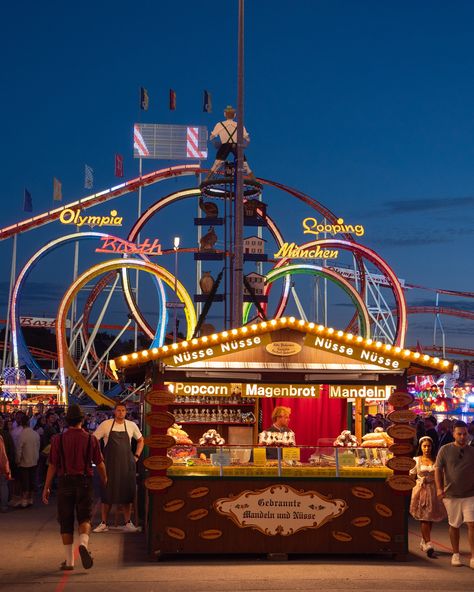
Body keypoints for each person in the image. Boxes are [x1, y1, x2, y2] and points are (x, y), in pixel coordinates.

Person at [42, 404, 106, 571]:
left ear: (66, 421)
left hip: (64, 482)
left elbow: (52, 465)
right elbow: (99, 463)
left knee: (66, 520)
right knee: (85, 518)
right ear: (82, 419)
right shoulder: (91, 439)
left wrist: (46, 487)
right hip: (84, 481)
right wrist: (105, 480)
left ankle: (69, 561)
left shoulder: (58, 440)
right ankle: (83, 544)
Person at [92, 402, 144, 533]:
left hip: (127, 465)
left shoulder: (132, 425)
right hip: (109, 465)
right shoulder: (106, 424)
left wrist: (137, 455)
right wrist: (99, 455)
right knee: (106, 494)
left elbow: (141, 440)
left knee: (127, 494)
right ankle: (103, 523)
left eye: (123, 410)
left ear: (126, 412)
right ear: (114, 412)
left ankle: (128, 523)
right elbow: (93, 440)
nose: (121, 412)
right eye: (118, 410)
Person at [435, 420, 474, 569]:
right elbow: (438, 469)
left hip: (470, 494)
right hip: (451, 494)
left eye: (465, 434)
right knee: (454, 525)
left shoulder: (472, 451)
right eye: (460, 434)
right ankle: (456, 554)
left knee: (472, 524)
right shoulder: (445, 449)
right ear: (453, 434)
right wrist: (439, 488)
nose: (463, 437)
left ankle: (473, 556)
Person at [409, 436, 447, 557]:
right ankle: (428, 543)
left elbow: (441, 476)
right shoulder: (416, 460)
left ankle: (424, 541)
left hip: (433, 490)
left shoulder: (436, 460)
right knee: (424, 517)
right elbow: (411, 477)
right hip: (420, 490)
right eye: (424, 446)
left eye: (429, 446)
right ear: (420, 447)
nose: (427, 448)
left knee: (430, 517)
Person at [206, 105, 255, 180]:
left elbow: (211, 137)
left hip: (224, 146)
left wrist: (215, 143)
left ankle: (206, 180)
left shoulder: (219, 125)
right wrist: (244, 145)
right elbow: (248, 139)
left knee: (216, 164)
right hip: (236, 146)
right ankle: (254, 180)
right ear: (234, 115)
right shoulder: (239, 125)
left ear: (224, 114)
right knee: (245, 165)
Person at [16, 414, 40, 507]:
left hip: (24, 461)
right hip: (34, 460)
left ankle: (24, 500)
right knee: (32, 480)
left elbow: (19, 450)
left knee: (25, 482)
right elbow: (38, 446)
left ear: (22, 423)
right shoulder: (35, 434)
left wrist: (17, 460)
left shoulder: (22, 435)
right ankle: (31, 499)